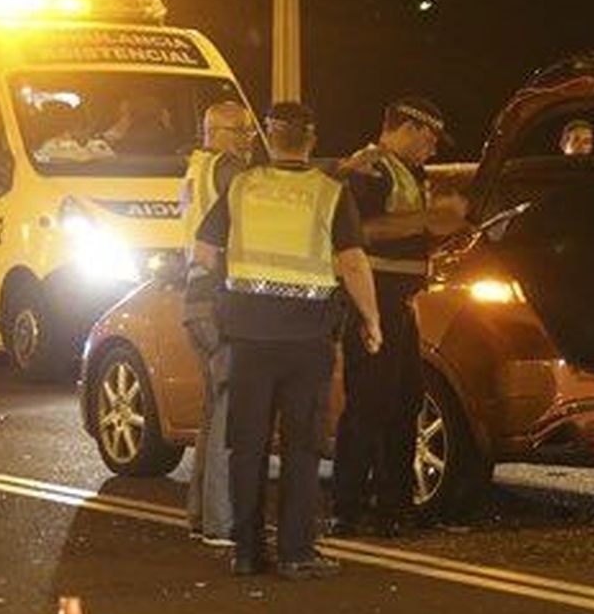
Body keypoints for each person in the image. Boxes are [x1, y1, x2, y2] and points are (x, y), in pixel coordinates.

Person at [193, 101, 382, 579]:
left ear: (269, 138)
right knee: (301, 446)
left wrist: (230, 287)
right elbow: (353, 262)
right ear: (311, 140)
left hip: (247, 336)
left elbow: (205, 250)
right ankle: (296, 552)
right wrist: (372, 319)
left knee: (247, 444)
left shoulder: (242, 187)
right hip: (306, 338)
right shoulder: (329, 193)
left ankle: (246, 551)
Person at [331, 96, 467, 537]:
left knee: (405, 401)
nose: (433, 149)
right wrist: (428, 219)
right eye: (429, 138)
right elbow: (363, 231)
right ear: (407, 128)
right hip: (373, 300)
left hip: (402, 302)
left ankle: (393, 505)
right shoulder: (369, 169)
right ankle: (347, 509)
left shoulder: (409, 171)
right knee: (369, 402)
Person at [181, 101, 257, 549]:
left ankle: (200, 514)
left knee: (213, 413)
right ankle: (221, 521)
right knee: (230, 411)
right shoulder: (226, 169)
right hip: (218, 302)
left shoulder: (196, 170)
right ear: (214, 132)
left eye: (250, 132)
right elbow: (262, 193)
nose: (248, 141)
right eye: (240, 131)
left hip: (195, 302)